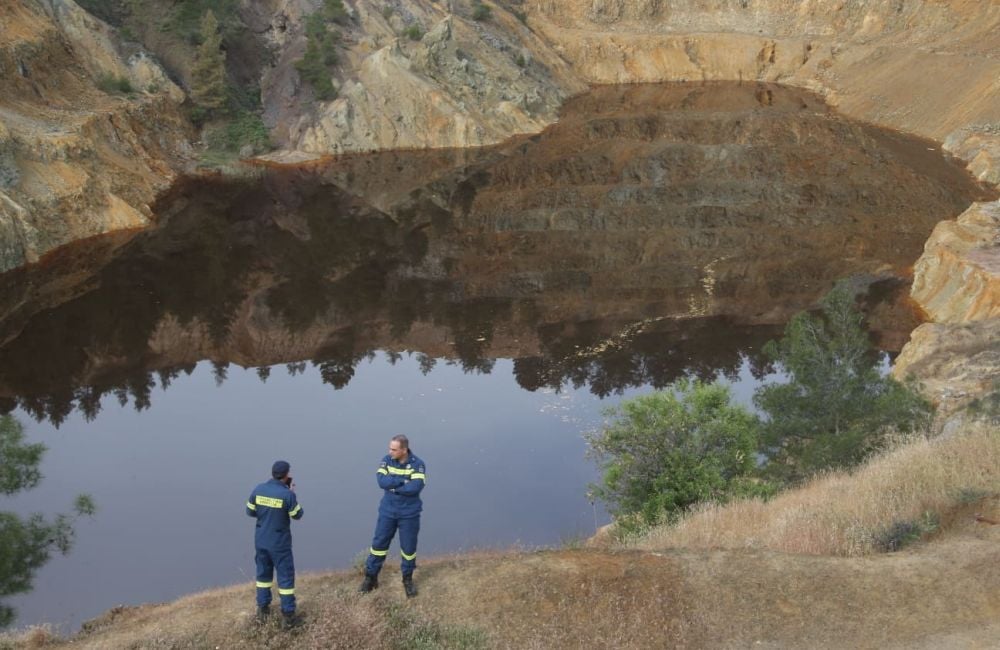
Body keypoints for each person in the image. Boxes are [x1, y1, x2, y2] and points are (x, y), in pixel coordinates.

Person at [359, 434, 426, 598]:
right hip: (387, 512)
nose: (390, 452)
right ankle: (371, 578)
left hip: (409, 514)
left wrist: (394, 486)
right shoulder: (387, 460)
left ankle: (407, 580)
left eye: (394, 449)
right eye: (390, 448)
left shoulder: (418, 464)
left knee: (408, 549)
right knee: (378, 545)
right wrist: (403, 481)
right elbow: (381, 481)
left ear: (404, 450)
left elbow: (415, 488)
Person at [246, 460, 303, 629]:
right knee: (285, 578)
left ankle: (263, 610)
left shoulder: (258, 489)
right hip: (279, 544)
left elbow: (250, 511)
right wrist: (291, 493)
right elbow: (297, 515)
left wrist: (266, 515)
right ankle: (288, 617)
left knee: (263, 576)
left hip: (261, 540)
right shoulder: (287, 495)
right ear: (286, 476)